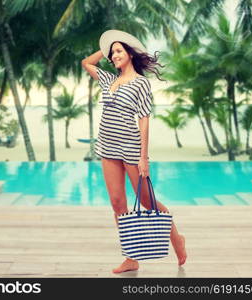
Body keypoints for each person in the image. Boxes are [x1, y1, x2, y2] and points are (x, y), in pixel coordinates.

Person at [81, 30, 187, 274]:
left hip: (130, 149)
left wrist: (143, 157)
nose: (114, 55)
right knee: (118, 204)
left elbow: (144, 120)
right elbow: (86, 62)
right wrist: (106, 46)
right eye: (112, 53)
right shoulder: (108, 80)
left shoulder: (140, 83)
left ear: (129, 53)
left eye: (119, 51)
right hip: (107, 147)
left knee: (148, 200)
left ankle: (177, 239)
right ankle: (131, 258)